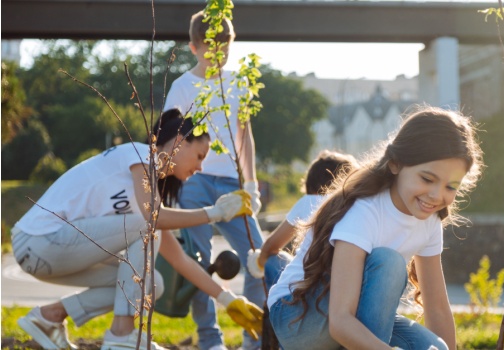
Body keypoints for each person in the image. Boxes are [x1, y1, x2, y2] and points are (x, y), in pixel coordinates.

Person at [12, 109, 263, 350]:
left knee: (152, 284)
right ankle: (122, 335)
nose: (200, 168)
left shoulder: (147, 198)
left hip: (50, 255)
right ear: (179, 141)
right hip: (37, 241)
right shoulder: (140, 155)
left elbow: (181, 261)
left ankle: (49, 316)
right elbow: (154, 219)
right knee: (147, 225)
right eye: (199, 156)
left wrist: (228, 299)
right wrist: (215, 213)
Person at [265, 107, 483, 350]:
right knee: (388, 261)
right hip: (297, 318)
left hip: (350, 314)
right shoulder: (365, 211)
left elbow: (438, 309)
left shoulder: (429, 220)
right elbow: (340, 321)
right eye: (427, 179)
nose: (436, 195)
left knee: (436, 348)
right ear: (395, 164)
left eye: (451, 186)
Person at [163, 9, 264, 350]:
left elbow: (244, 134)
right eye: (209, 46)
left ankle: (256, 338)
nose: (217, 52)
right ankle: (210, 341)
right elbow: (170, 143)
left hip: (232, 185)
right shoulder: (182, 87)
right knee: (200, 264)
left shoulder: (239, 82)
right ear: (193, 47)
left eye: (224, 45)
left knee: (259, 258)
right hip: (194, 183)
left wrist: (250, 183)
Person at [245, 150, 359, 291]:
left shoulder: (310, 201)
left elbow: (271, 246)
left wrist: (258, 263)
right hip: (346, 287)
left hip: (310, 289)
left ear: (313, 186)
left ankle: (272, 309)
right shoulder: (356, 206)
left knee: (273, 260)